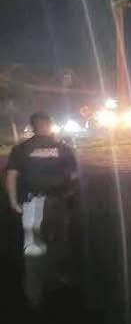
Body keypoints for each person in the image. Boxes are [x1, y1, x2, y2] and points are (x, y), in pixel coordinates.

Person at [5, 112, 78, 308]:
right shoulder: (63, 149)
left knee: (34, 246)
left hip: (33, 203)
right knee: (57, 242)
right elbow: (73, 177)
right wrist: (69, 196)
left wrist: (13, 201)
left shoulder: (21, 149)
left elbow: (11, 176)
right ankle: (54, 285)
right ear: (49, 125)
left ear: (33, 126)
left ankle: (33, 293)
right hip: (58, 203)